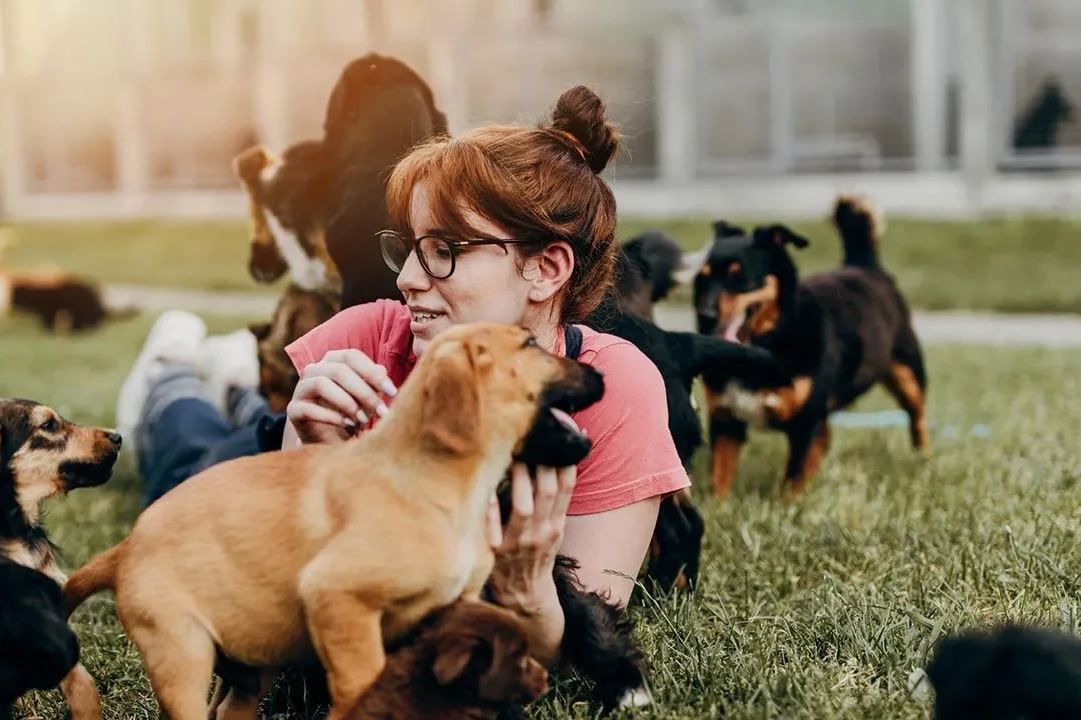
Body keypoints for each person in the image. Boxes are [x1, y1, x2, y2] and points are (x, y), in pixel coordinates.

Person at [113, 85, 690, 667]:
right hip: (241, 478)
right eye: (410, 247)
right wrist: (313, 454)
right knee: (184, 463)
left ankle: (233, 378)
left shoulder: (618, 387)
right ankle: (171, 370)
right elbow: (296, 605)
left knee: (238, 414)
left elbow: (567, 655)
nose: (408, 277)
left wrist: (528, 592)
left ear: (545, 268)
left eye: (444, 249)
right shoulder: (366, 337)